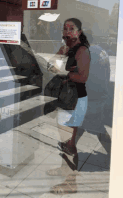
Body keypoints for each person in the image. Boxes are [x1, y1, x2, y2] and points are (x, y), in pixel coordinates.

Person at [46, 18, 91, 194]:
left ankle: (71, 183)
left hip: (76, 101)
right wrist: (61, 52)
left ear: (79, 32)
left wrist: (65, 73)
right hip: (66, 100)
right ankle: (63, 169)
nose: (67, 32)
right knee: (64, 142)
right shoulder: (68, 49)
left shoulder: (82, 51)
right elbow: (51, 65)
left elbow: (83, 77)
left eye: (71, 28)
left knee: (69, 144)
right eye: (65, 29)